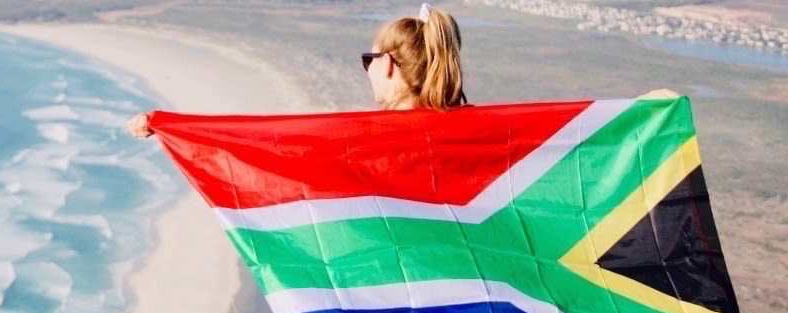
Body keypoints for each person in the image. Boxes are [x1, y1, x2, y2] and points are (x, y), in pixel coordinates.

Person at [125, 3, 679, 139]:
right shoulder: (478, 132)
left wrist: (172, 127)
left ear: (389, 66)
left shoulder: (372, 138)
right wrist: (642, 117)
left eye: (370, 60)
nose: (367, 70)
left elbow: (276, 144)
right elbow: (561, 135)